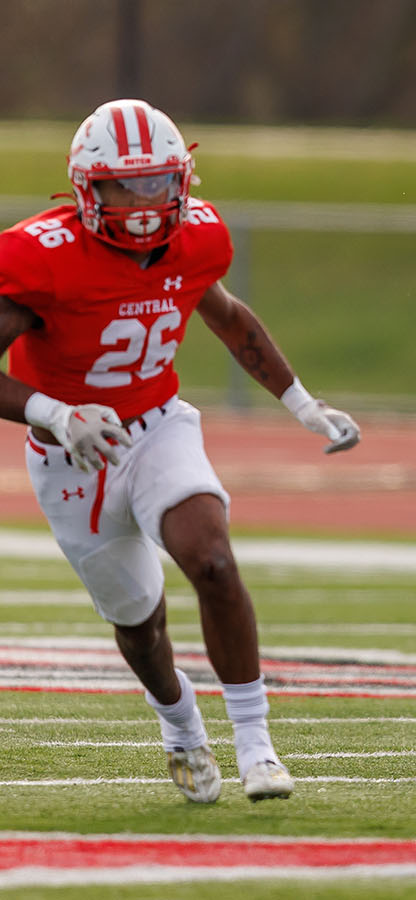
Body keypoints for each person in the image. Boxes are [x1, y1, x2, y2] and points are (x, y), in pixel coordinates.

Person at [0, 99, 361, 803]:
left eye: (159, 182)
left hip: (159, 423)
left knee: (214, 561)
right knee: (140, 626)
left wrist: (301, 402)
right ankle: (181, 725)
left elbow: (226, 315)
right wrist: (53, 413)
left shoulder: (198, 237)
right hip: (72, 459)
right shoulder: (39, 257)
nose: (143, 202)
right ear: (86, 188)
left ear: (183, 179)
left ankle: (257, 747)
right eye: (123, 186)